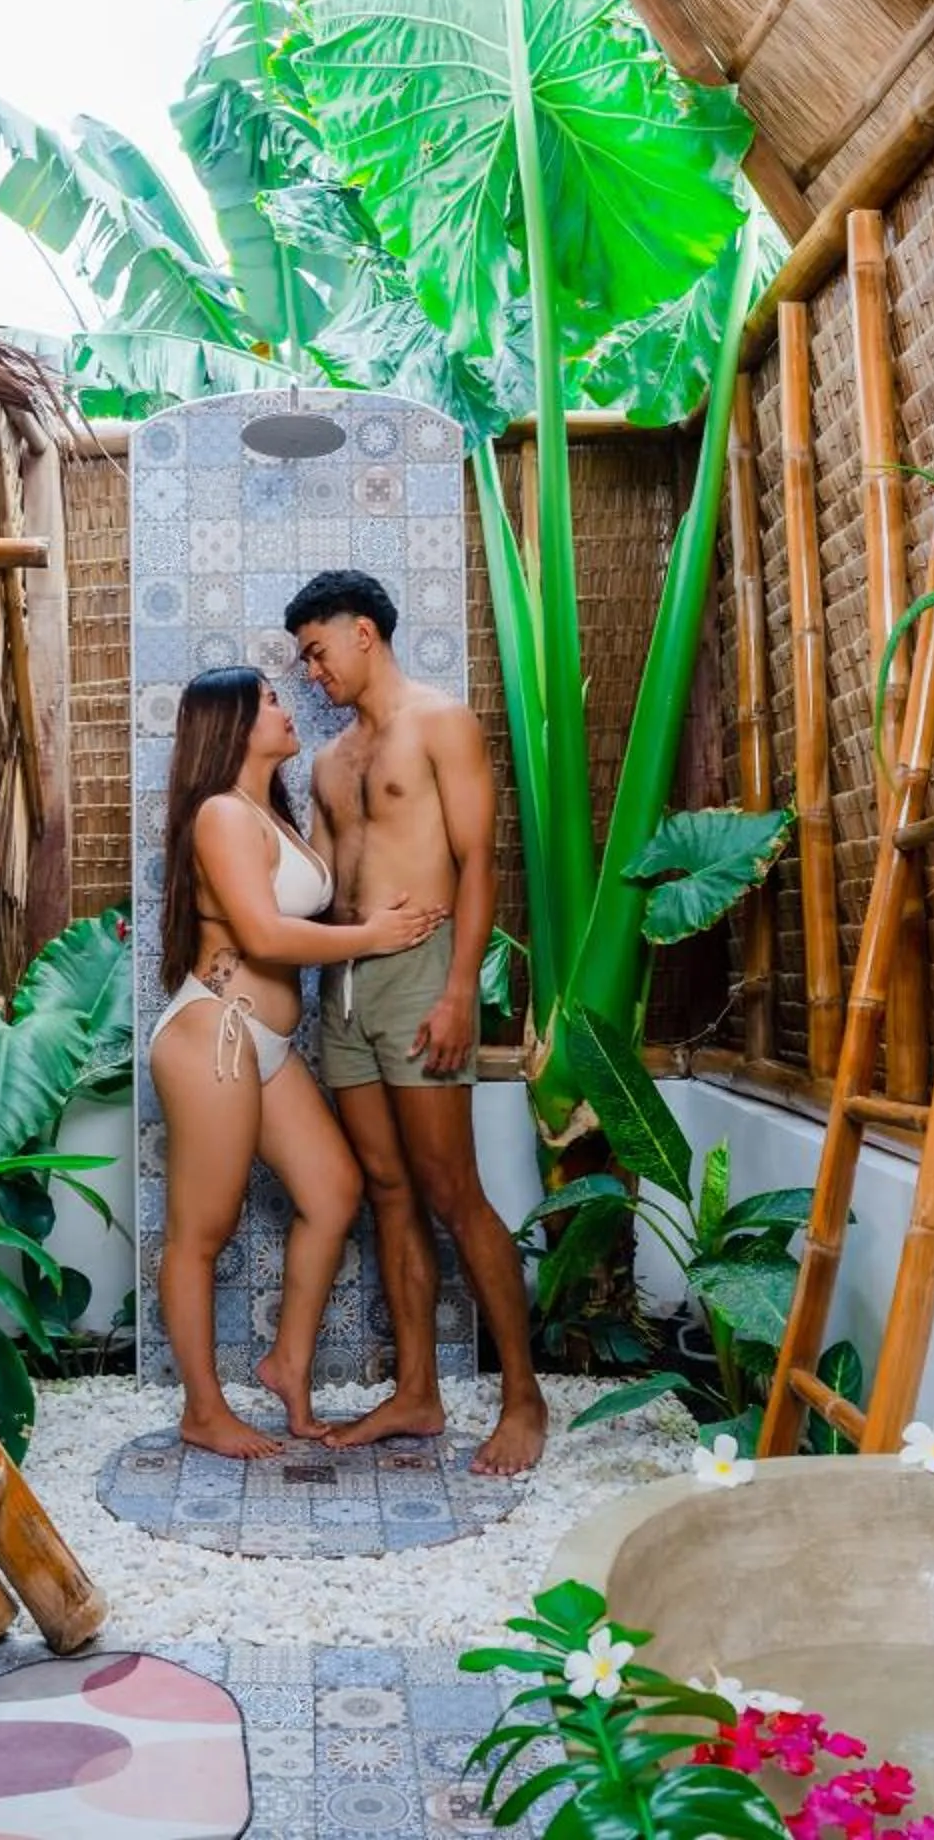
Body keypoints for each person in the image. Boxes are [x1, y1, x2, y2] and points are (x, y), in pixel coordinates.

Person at [285, 570, 548, 1478]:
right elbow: (313, 891)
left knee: (452, 1189)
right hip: (344, 991)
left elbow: (478, 862)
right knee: (389, 1192)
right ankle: (418, 1393)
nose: (312, 674)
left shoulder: (442, 723)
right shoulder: (327, 764)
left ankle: (523, 1396)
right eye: (303, 663)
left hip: (421, 978)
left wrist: (460, 990)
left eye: (317, 653)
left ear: (364, 632)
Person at [150, 665, 445, 1459]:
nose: (287, 707)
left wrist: (377, 897)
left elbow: (322, 898)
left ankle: (286, 1362)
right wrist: (372, 938)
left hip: (266, 1044)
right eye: (271, 700)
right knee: (200, 1230)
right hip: (215, 1030)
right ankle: (202, 1409)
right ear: (233, 723)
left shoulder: (270, 813)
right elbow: (266, 937)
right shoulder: (218, 814)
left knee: (335, 1190)